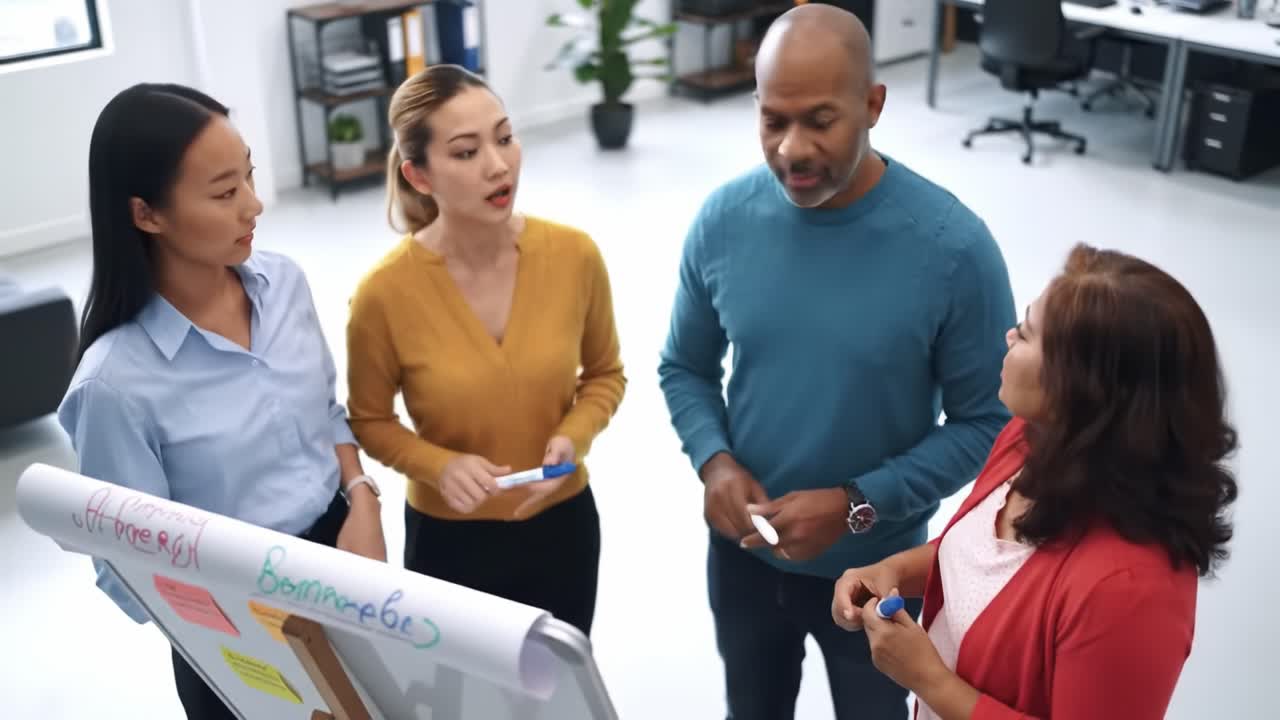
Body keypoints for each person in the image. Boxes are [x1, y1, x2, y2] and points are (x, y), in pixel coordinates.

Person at [657, 5, 1016, 718]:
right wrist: (714, 460)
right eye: (772, 120)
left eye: (820, 121)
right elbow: (685, 367)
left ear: (873, 105)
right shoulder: (722, 221)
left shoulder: (953, 249)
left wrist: (857, 504)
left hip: (877, 576)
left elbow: (987, 422)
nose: (791, 149)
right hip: (742, 564)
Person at [58, 83, 386, 720]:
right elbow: (126, 570)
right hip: (237, 632)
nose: (254, 206)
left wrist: (363, 498)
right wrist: (247, 622)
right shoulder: (113, 387)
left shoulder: (285, 283)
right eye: (224, 192)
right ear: (146, 214)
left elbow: (324, 412)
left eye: (250, 177)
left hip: (349, 566)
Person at [832, 243, 1239, 720]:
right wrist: (894, 571)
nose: (1008, 336)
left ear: (1078, 386)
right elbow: (985, 561)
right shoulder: (1029, 439)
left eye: (1026, 333)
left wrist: (930, 681)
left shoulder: (1131, 589)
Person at [345, 65, 625, 637]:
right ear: (418, 176)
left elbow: (604, 375)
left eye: (504, 138)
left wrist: (574, 436)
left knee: (555, 696)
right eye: (467, 152)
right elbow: (370, 420)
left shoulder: (575, 256)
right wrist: (437, 466)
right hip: (450, 542)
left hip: (564, 527)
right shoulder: (384, 294)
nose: (499, 165)